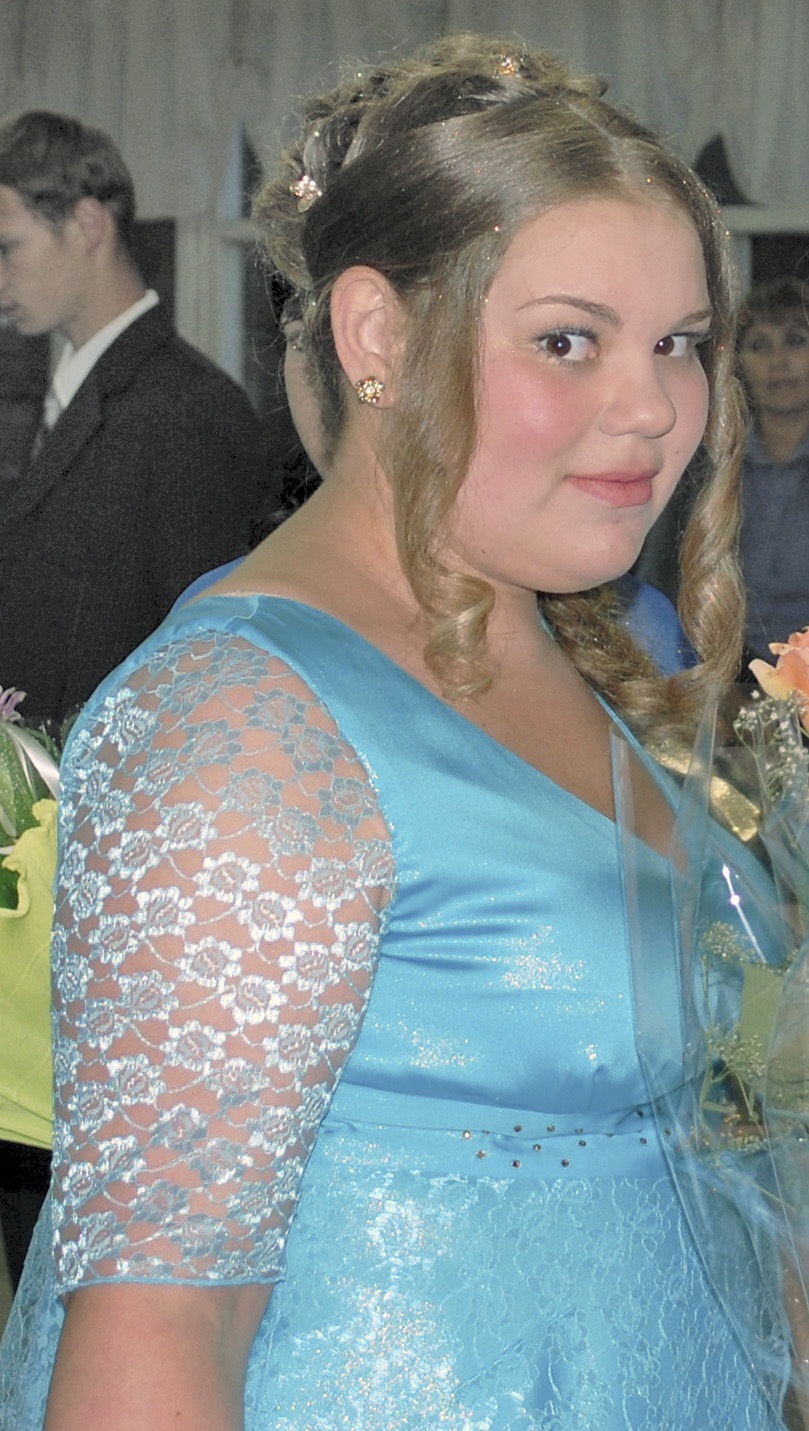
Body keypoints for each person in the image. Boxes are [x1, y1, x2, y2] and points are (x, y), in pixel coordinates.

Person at [0, 34, 786, 1429]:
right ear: (377, 338)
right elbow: (159, 1325)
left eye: (676, 342)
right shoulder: (242, 722)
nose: (654, 406)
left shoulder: (565, 642)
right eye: (568, 340)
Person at [0, 110, 267, 730]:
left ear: (87, 223)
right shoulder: (45, 389)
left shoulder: (189, 410)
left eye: (8, 248)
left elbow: (201, 663)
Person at [737, 276, 809, 666]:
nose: (778, 361)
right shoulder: (707, 468)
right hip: (725, 673)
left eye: (795, 341)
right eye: (759, 346)